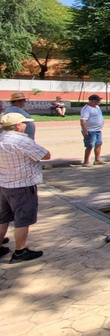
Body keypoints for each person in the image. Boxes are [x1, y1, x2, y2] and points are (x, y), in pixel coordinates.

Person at [0, 113, 51, 263]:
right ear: (17, 125)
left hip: (3, 183)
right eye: (23, 123)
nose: (25, 125)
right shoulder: (21, 140)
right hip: (22, 185)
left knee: (2, 218)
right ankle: (20, 251)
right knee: (22, 219)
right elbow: (46, 155)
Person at [80, 94, 105, 166]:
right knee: (90, 146)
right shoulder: (86, 109)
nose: (99, 101)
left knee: (98, 144)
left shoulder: (97, 107)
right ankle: (86, 161)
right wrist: (85, 130)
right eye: (98, 100)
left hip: (98, 130)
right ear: (92, 100)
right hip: (90, 130)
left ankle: (97, 160)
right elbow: (83, 120)